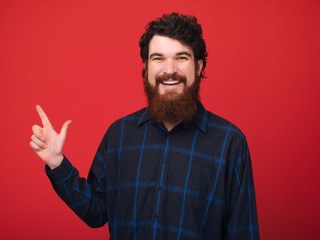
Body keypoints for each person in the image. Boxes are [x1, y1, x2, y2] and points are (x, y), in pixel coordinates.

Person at [30, 12, 259, 240]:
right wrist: (56, 162)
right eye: (158, 58)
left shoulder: (230, 142)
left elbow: (242, 232)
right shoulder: (119, 135)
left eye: (181, 58)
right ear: (146, 68)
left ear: (198, 67)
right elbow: (96, 212)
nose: (169, 70)